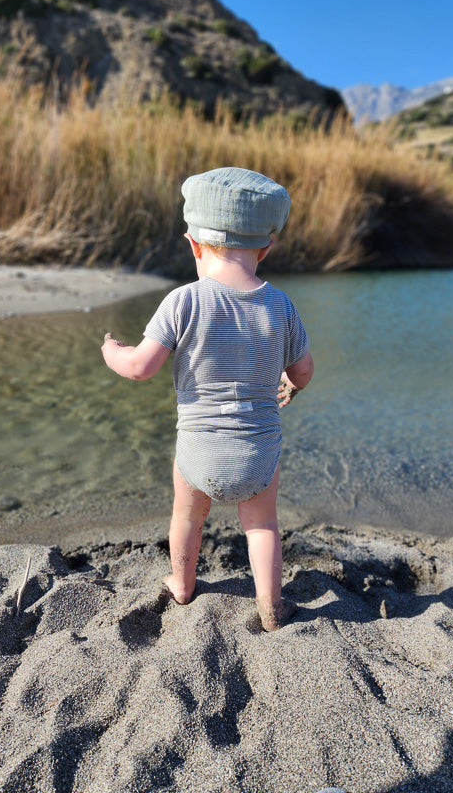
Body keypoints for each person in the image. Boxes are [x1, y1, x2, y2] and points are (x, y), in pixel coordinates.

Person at [101, 167, 314, 631]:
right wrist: (290, 381)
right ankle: (271, 606)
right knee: (262, 525)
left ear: (194, 244)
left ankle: (182, 584)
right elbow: (302, 370)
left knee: (186, 516)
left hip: (199, 452)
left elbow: (140, 367)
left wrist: (111, 351)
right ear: (265, 248)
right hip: (258, 453)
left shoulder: (183, 301)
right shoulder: (281, 305)